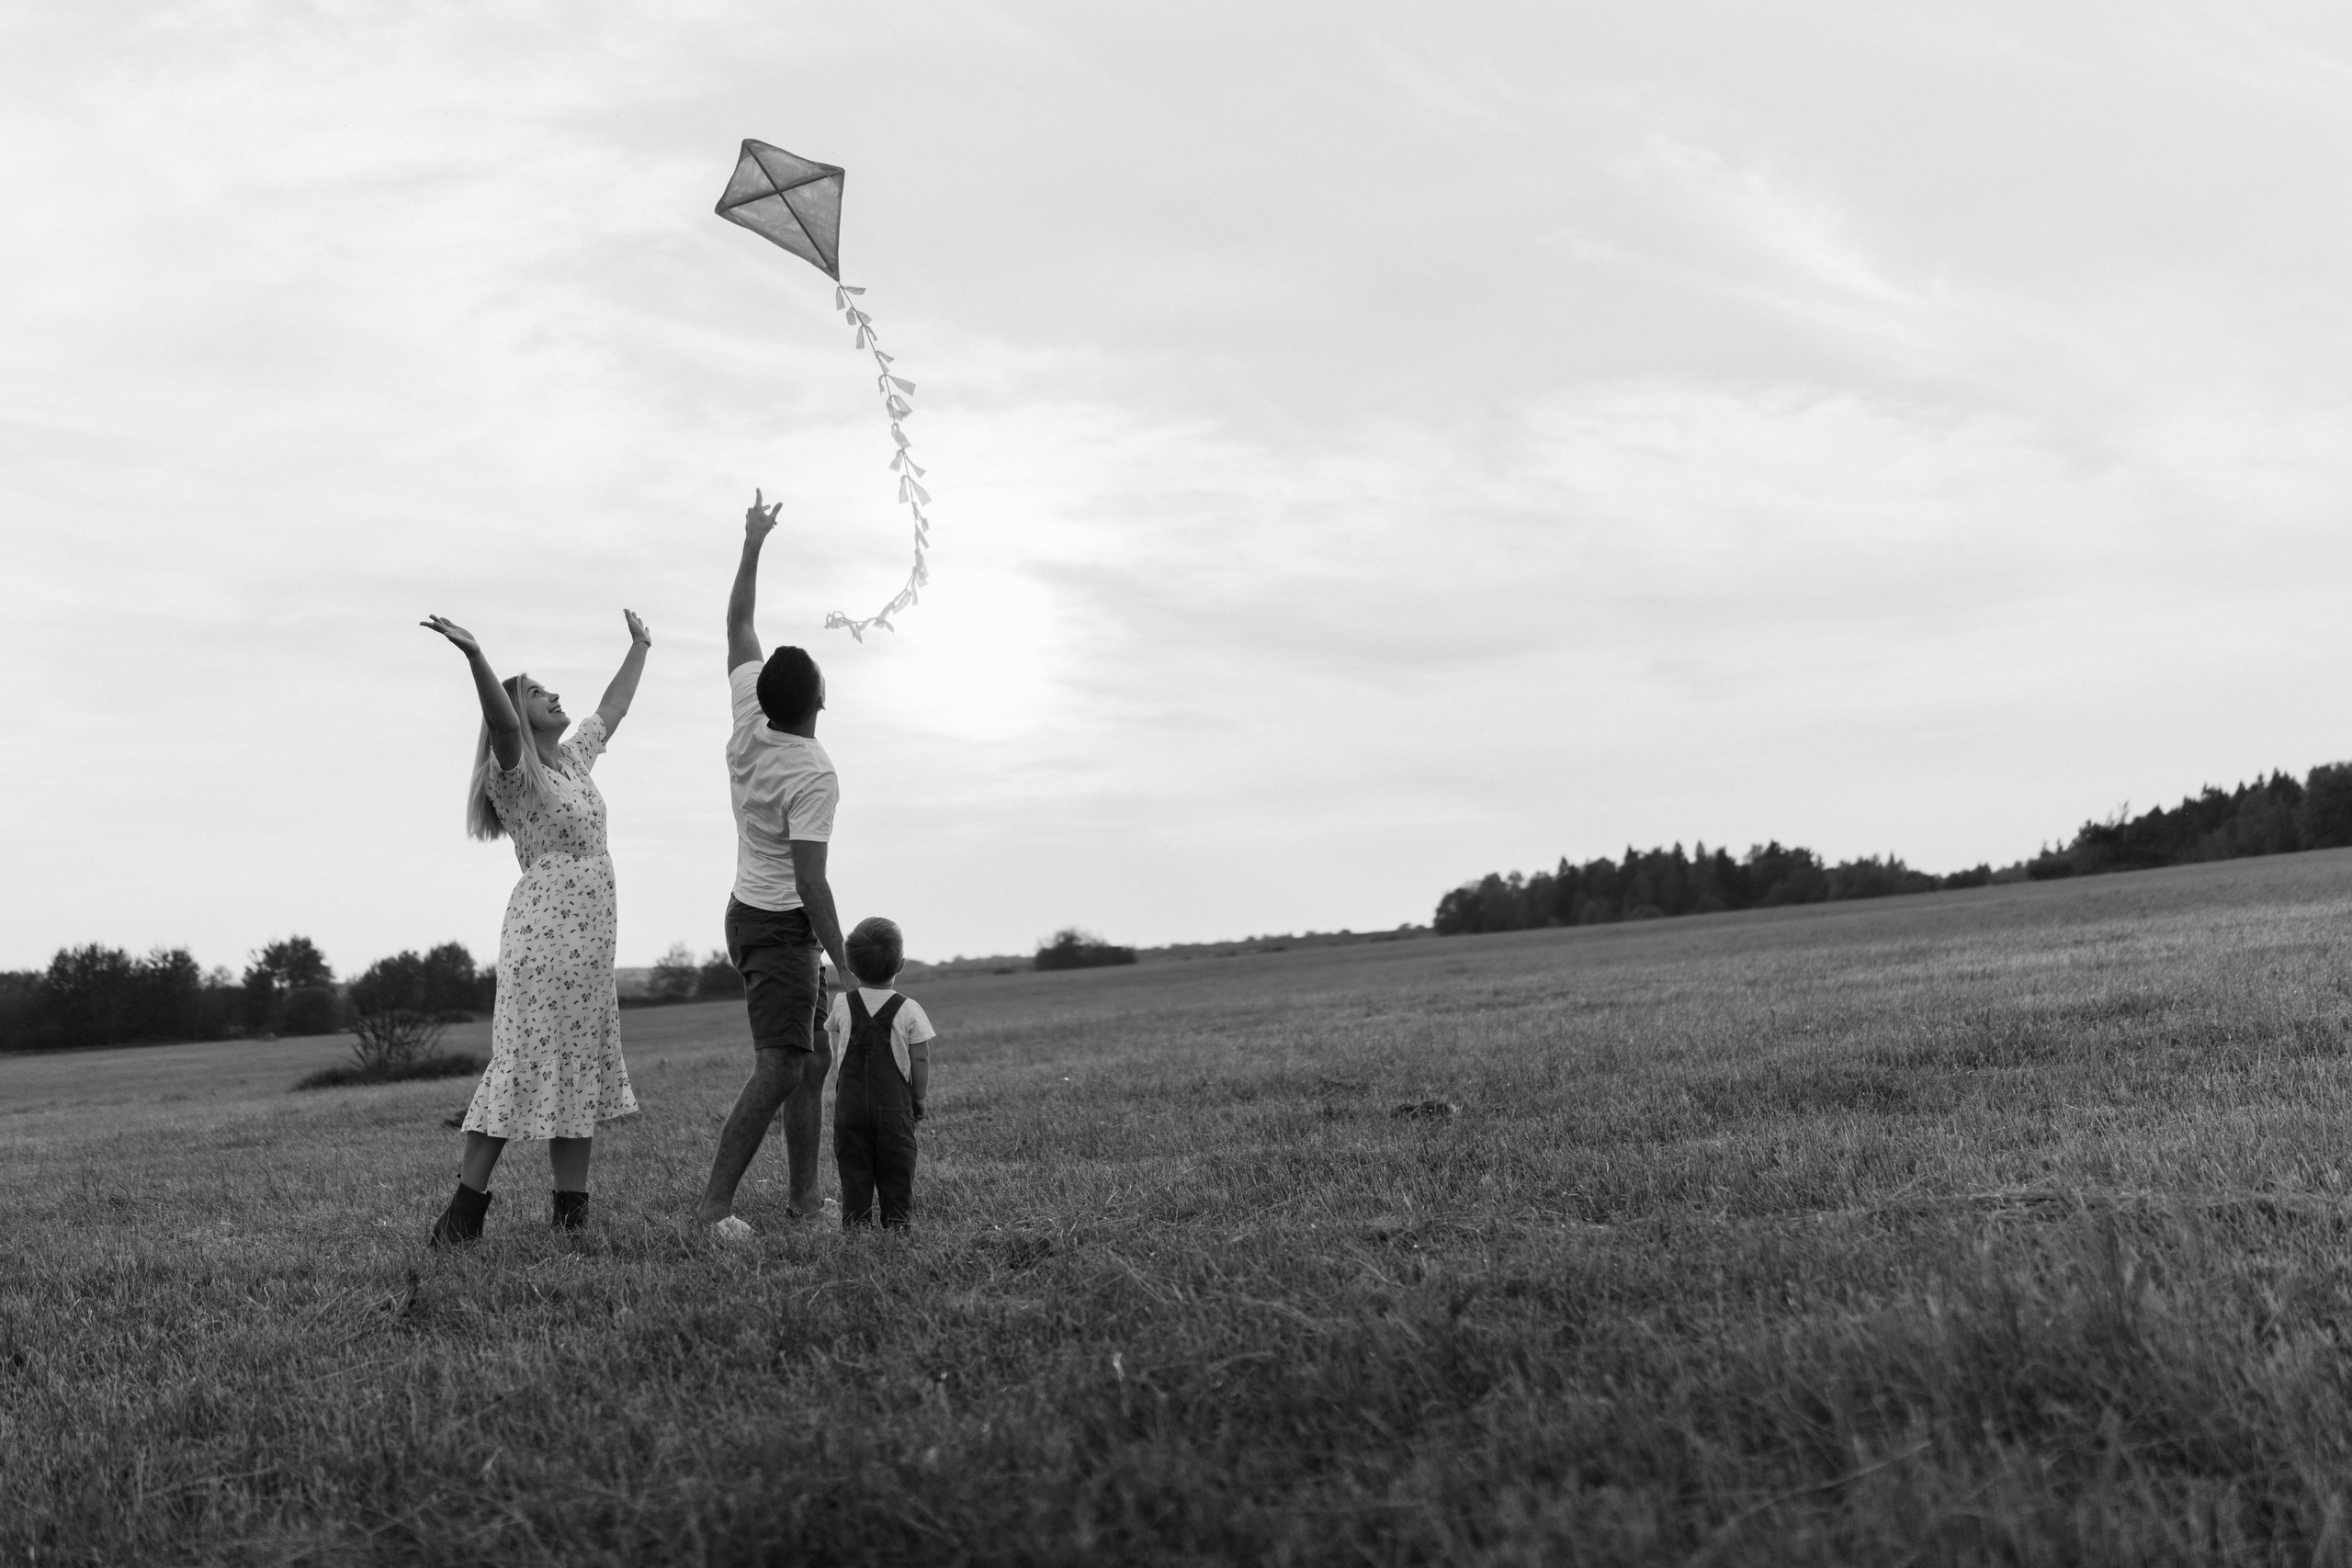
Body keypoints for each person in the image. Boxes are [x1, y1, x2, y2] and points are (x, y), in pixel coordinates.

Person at [418, 610, 650, 1245]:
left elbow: (613, 709)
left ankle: (571, 1216)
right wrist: (476, 657)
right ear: (522, 714)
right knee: (521, 1065)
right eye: (538, 692)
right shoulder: (516, 776)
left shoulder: (574, 762)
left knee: (575, 1071)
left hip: (589, 950)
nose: (553, 695)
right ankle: (463, 1213)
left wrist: (640, 645)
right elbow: (500, 723)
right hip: (543, 946)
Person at [696, 491, 853, 1236]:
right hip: (779, 925)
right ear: (820, 698)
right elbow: (811, 881)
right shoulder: (813, 771)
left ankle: (805, 1202)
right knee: (782, 1065)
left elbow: (737, 623)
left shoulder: (749, 716)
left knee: (811, 1060)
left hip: (752, 914)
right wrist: (846, 965)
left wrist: (752, 542)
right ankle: (712, 1210)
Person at [827, 916, 936, 1228]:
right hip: (893, 1107)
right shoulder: (909, 1008)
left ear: (850, 965)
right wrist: (919, 1098)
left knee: (854, 1169)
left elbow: (836, 1036)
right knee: (897, 1168)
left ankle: (856, 1226)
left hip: (849, 1106)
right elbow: (921, 1058)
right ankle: (897, 1225)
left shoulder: (842, 1005)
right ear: (900, 964)